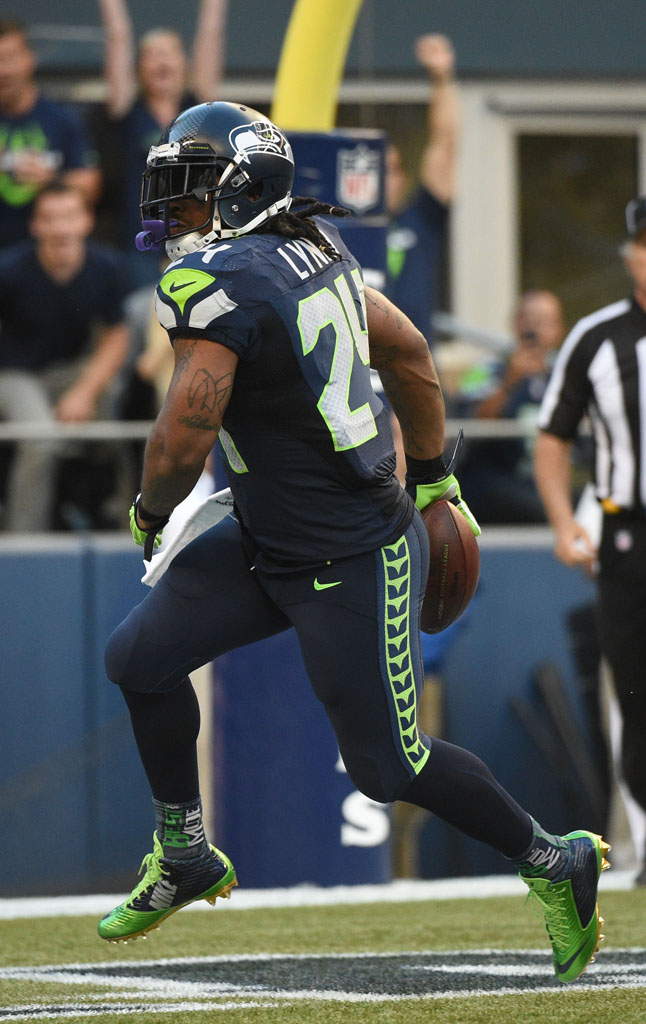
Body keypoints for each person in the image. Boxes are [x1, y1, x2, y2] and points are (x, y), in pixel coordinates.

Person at [99, 101, 608, 985]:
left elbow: (185, 433)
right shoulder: (316, 248)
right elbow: (408, 350)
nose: (173, 214)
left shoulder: (219, 282)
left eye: (189, 195)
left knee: (387, 767)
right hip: (272, 537)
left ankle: (553, 860)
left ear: (239, 190)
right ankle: (184, 851)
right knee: (138, 658)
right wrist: (435, 473)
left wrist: (150, 508)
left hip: (350, 552)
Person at [535, 192, 646, 886]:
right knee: (638, 696)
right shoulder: (594, 337)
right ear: (629, 257)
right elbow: (551, 439)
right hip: (624, 536)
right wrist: (566, 524)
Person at [0, 182, 130, 531]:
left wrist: (85, 391)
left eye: (70, 216)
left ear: (86, 220)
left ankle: (129, 527)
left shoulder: (106, 266)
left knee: (114, 404)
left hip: (71, 372)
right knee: (40, 437)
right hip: (14, 375)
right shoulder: (9, 271)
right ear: (35, 225)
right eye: (50, 218)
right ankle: (26, 546)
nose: (60, 228)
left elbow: (117, 335)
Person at [98, 0, 228, 284]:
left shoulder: (199, 107)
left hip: (196, 237)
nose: (161, 61)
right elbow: (117, 36)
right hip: (143, 244)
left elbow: (211, 33)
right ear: (139, 68)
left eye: (170, 53)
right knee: (144, 315)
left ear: (185, 63)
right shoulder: (129, 110)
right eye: (152, 55)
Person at [456, 289, 566, 524]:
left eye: (545, 322)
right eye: (530, 320)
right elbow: (471, 426)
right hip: (492, 482)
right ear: (516, 323)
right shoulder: (485, 369)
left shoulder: (564, 379)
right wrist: (510, 381)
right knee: (546, 509)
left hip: (541, 482)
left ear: (559, 330)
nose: (536, 329)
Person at [383, 33, 458, 347]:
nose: (386, 178)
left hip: (414, 373)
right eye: (376, 169)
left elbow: (445, 147)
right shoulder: (336, 227)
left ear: (403, 178)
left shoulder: (420, 218)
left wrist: (442, 79)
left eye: (394, 169)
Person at [0, 18, 101, 248]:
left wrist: (50, 178)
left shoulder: (62, 119)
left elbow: (91, 187)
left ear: (29, 59)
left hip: (46, 255)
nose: (3, 70)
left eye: (9, 59)